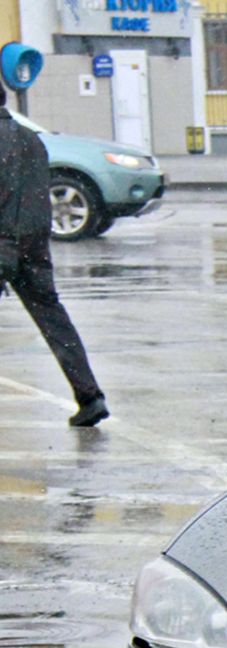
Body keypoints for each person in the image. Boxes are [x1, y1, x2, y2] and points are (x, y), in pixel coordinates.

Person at [0, 84, 108, 427]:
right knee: (53, 319)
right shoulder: (31, 139)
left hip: (2, 240)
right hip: (33, 243)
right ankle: (90, 396)